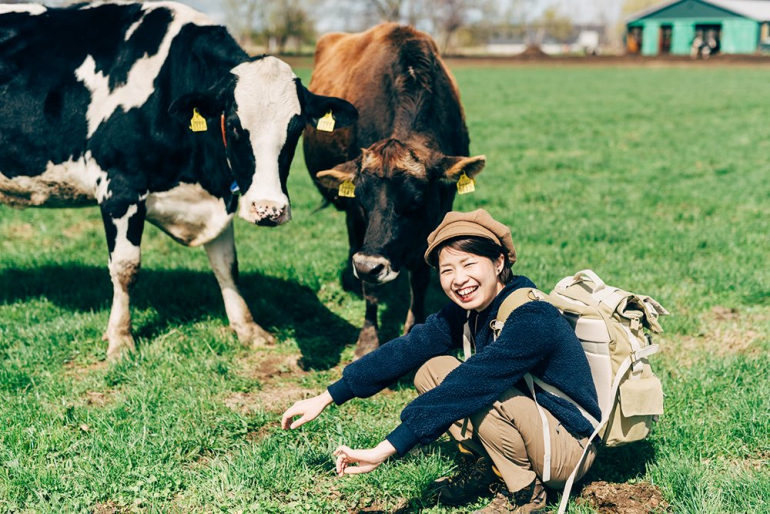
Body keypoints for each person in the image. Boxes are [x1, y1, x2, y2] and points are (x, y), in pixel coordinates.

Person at [281, 209, 601, 513]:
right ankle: (487, 466)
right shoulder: (469, 310)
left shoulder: (532, 316)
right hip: (534, 425)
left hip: (569, 448)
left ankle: (525, 494)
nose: (459, 279)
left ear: (499, 261)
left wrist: (386, 448)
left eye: (469, 264)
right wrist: (327, 396)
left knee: (479, 390)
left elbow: (471, 385)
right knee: (431, 369)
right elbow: (408, 348)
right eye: (447, 270)